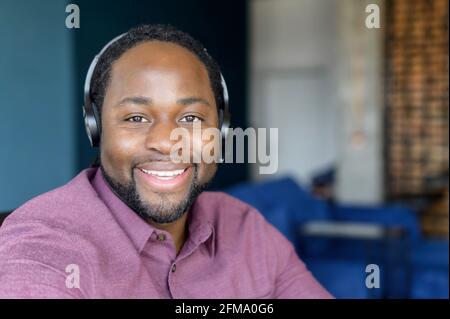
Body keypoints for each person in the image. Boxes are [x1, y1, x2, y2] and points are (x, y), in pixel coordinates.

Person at [0, 24, 332, 298]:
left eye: (190, 118)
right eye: (135, 117)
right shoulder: (45, 248)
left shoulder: (246, 229)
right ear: (96, 128)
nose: (165, 141)